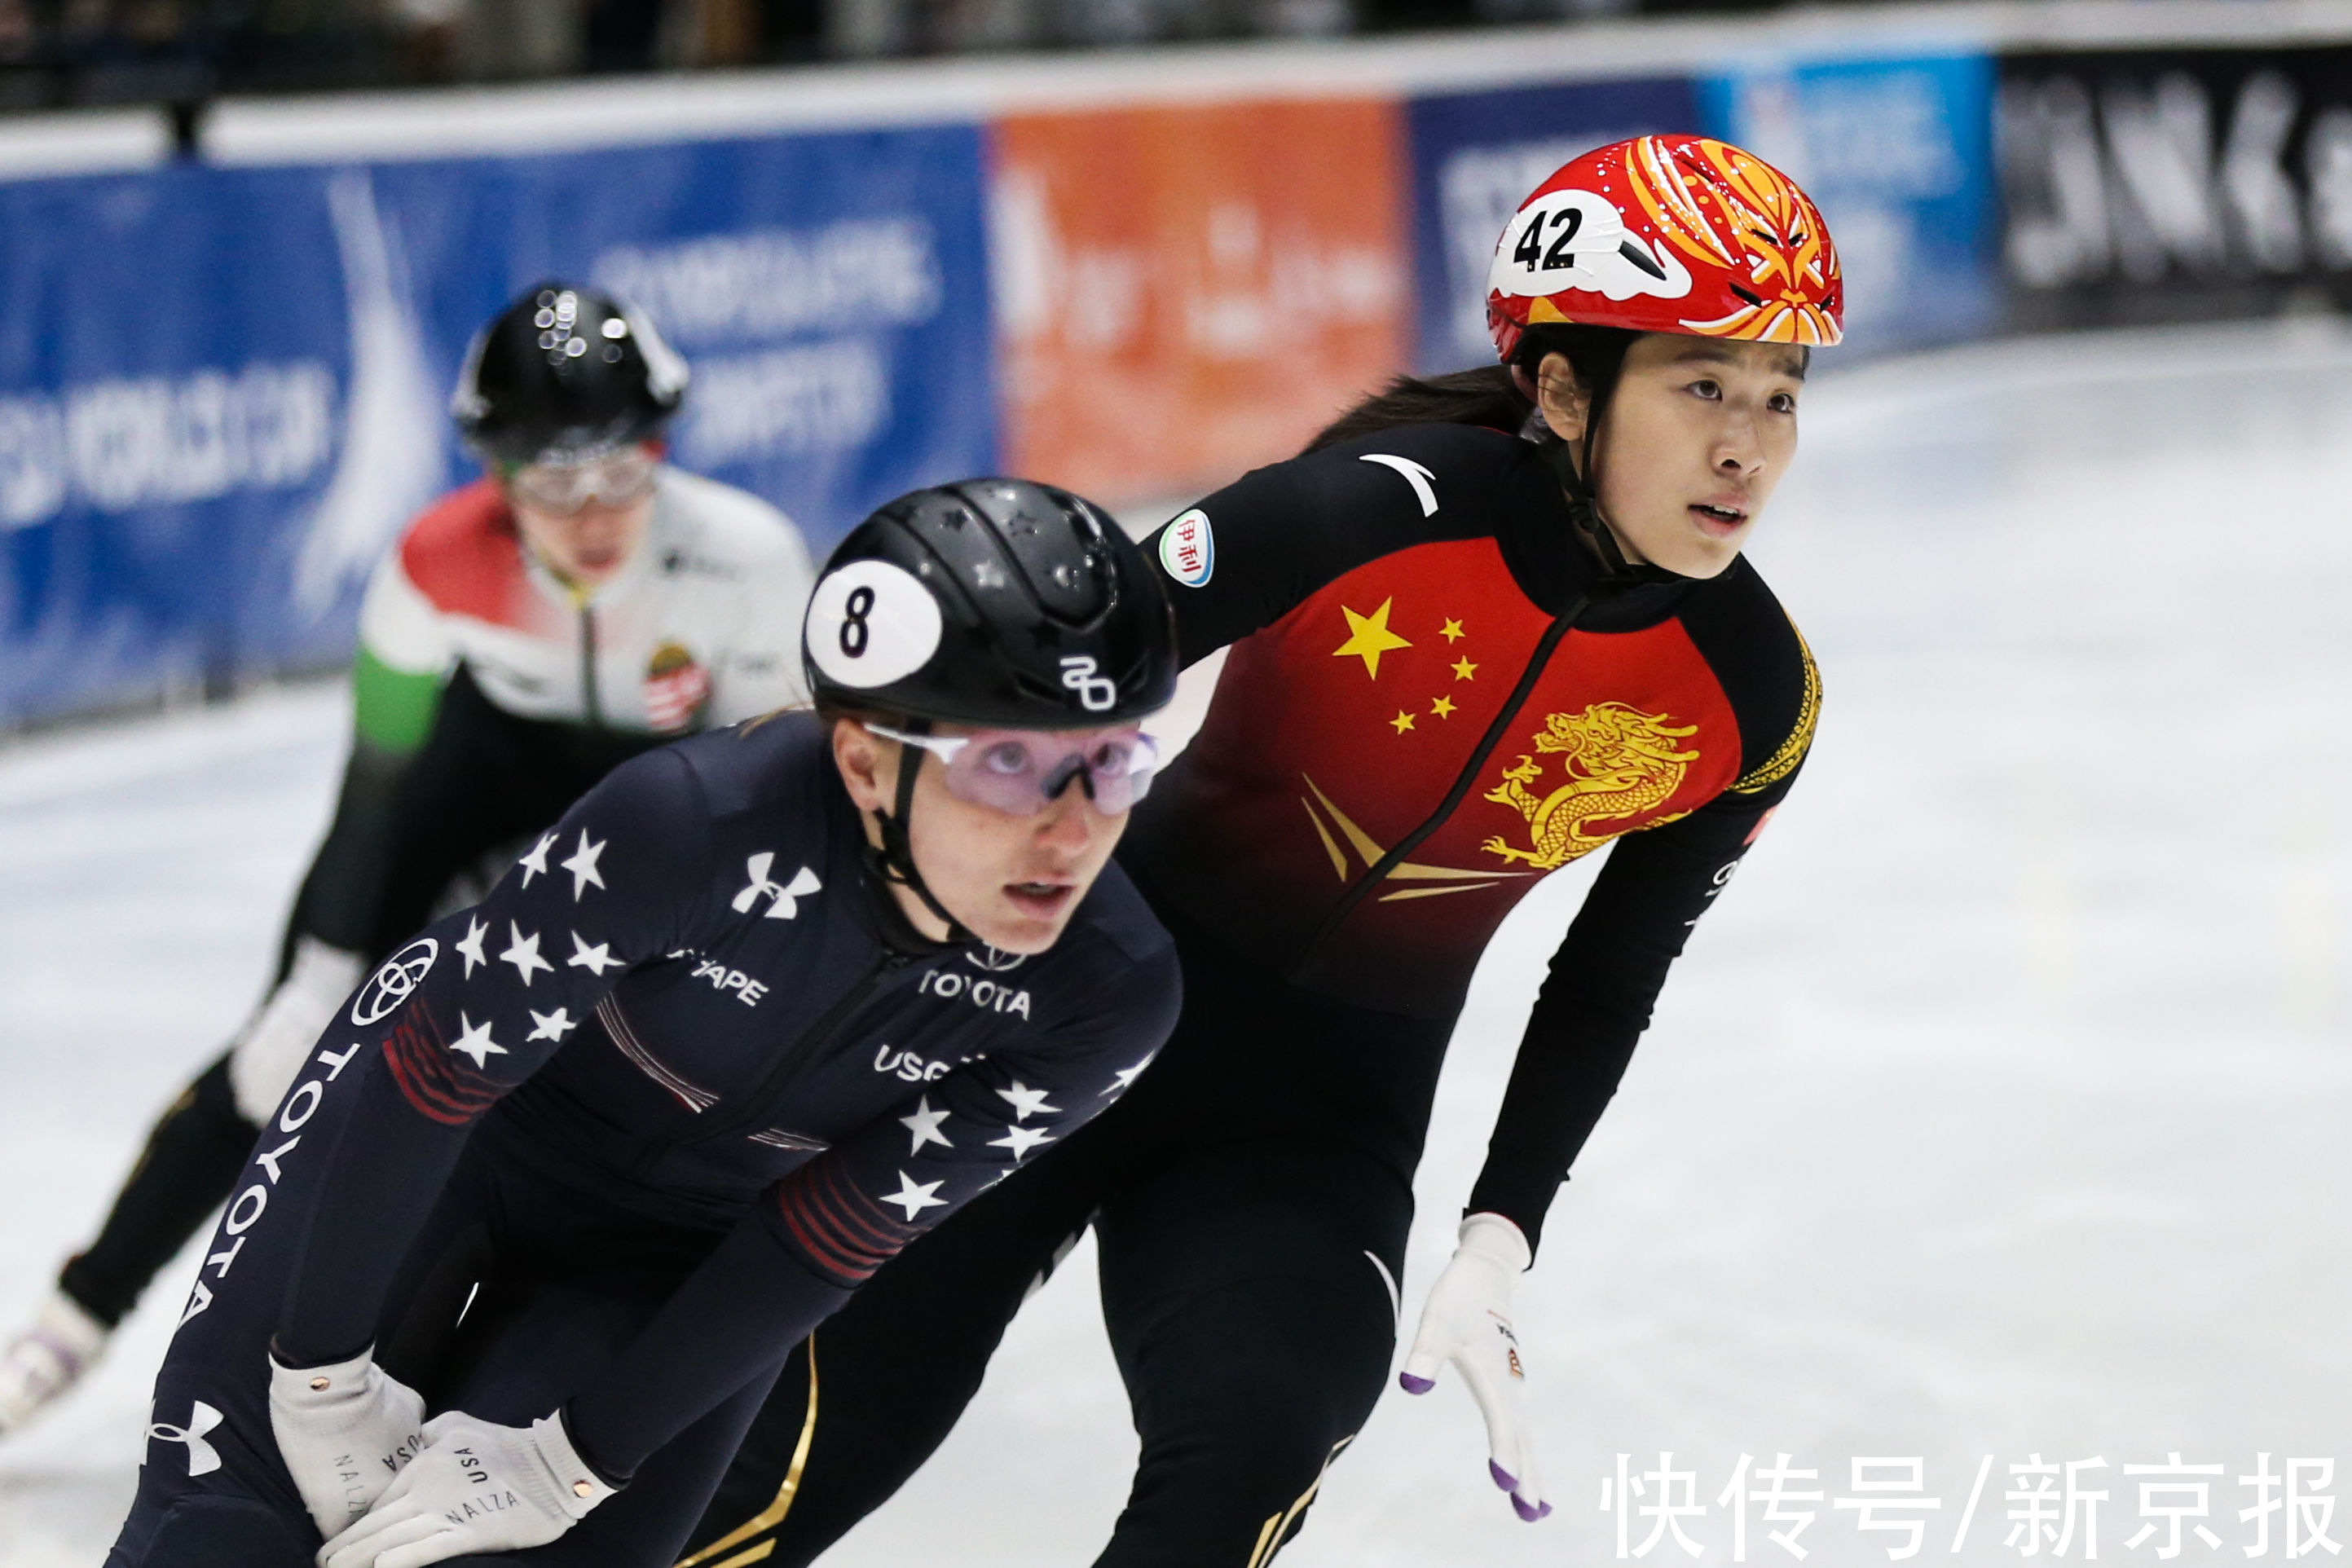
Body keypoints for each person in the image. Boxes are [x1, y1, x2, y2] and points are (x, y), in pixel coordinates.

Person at [680, 132, 1839, 1568]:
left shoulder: (1752, 694)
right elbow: (1039, 674)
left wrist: (1500, 1232)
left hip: (1314, 1133)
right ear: (1559, 385)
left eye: (1781, 396)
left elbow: (1610, 975)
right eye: (1703, 385)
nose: (1747, 445)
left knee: (1240, 1474)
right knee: (782, 1480)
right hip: (1050, 1025)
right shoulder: (1369, 510)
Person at [104, 478, 1185, 1568]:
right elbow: (439, 1077)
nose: (1071, 830)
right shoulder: (689, 825)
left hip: (680, 1253)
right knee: (220, 1541)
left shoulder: (1106, 992)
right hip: (455, 1143)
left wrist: (574, 1460)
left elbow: (825, 1236)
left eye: (1113, 761)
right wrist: (324, 1376)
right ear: (864, 761)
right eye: (1010, 766)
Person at [0, 281, 817, 1435]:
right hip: (483, 779)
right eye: (551, 479)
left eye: (622, 469)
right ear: (494, 476)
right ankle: (70, 1324)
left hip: (667, 801)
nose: (593, 510)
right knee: (271, 1063)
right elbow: (380, 784)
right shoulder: (435, 559)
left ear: (660, 450)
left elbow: (772, 796)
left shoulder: (746, 557)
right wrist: (325, 962)